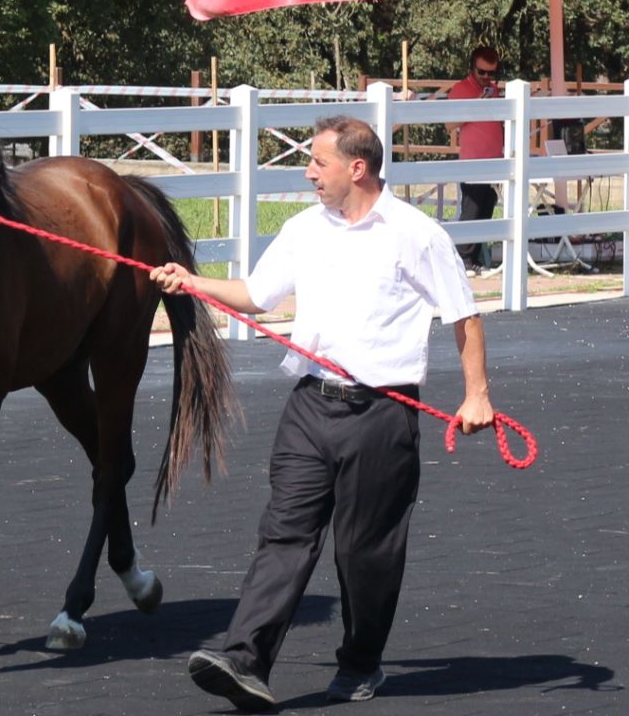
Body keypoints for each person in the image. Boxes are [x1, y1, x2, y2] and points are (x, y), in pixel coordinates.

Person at [151, 116, 495, 711]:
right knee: (284, 533)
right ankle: (244, 660)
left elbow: (463, 314)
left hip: (382, 414)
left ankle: (362, 662)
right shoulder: (304, 229)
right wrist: (193, 282)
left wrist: (477, 395)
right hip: (310, 406)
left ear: (356, 168)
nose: (308, 172)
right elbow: (257, 296)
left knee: (364, 551)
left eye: (318, 162)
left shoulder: (415, 234)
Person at [446, 45, 504, 275]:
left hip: (493, 159)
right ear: (472, 69)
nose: (487, 78)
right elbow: (449, 125)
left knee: (488, 201)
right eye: (482, 72)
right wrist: (476, 104)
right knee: (473, 206)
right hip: (472, 159)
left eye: (492, 73)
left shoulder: (494, 90)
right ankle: (463, 259)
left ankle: (475, 258)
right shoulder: (461, 89)